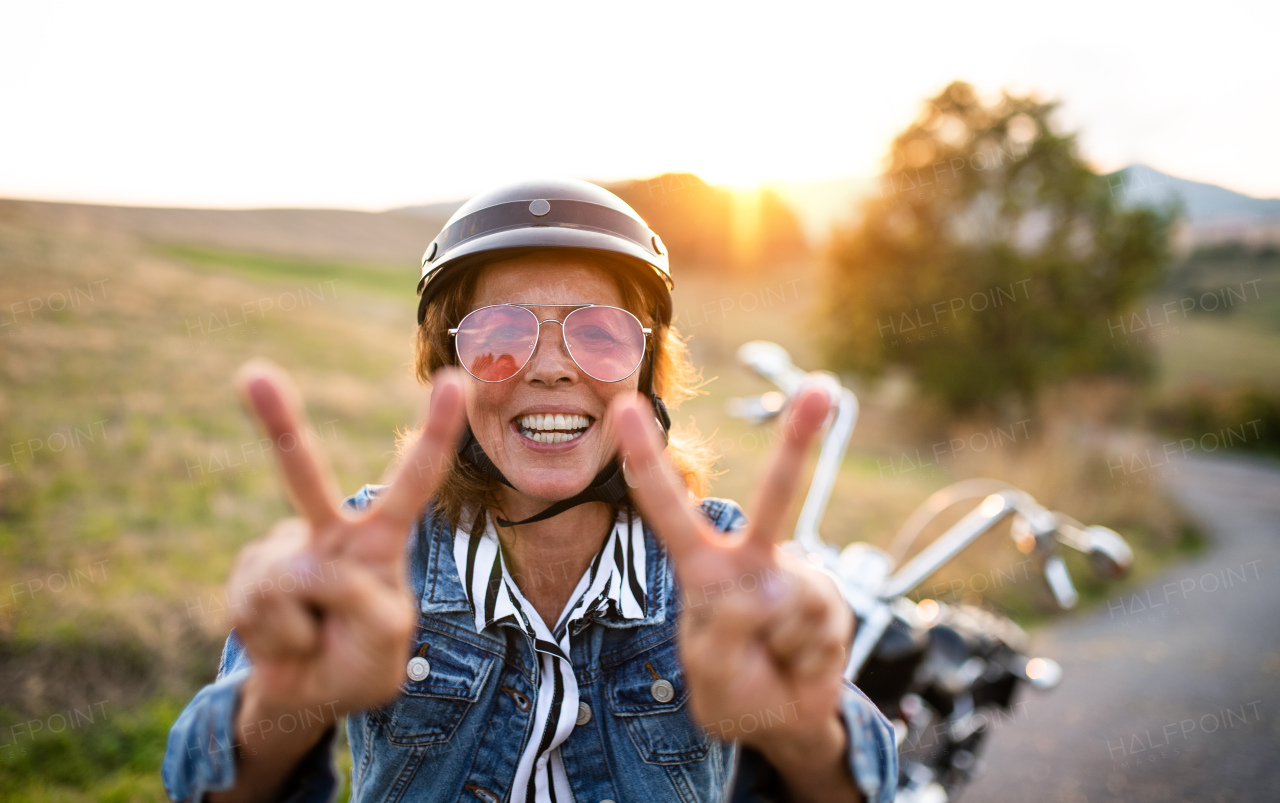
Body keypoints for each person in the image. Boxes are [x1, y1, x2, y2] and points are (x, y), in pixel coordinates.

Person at [162, 177, 898, 802]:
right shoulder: (370, 562)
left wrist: (803, 728)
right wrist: (280, 706)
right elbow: (199, 775)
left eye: (600, 334)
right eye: (500, 334)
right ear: (447, 368)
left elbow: (868, 771)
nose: (549, 368)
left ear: (646, 375)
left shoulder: (723, 564)